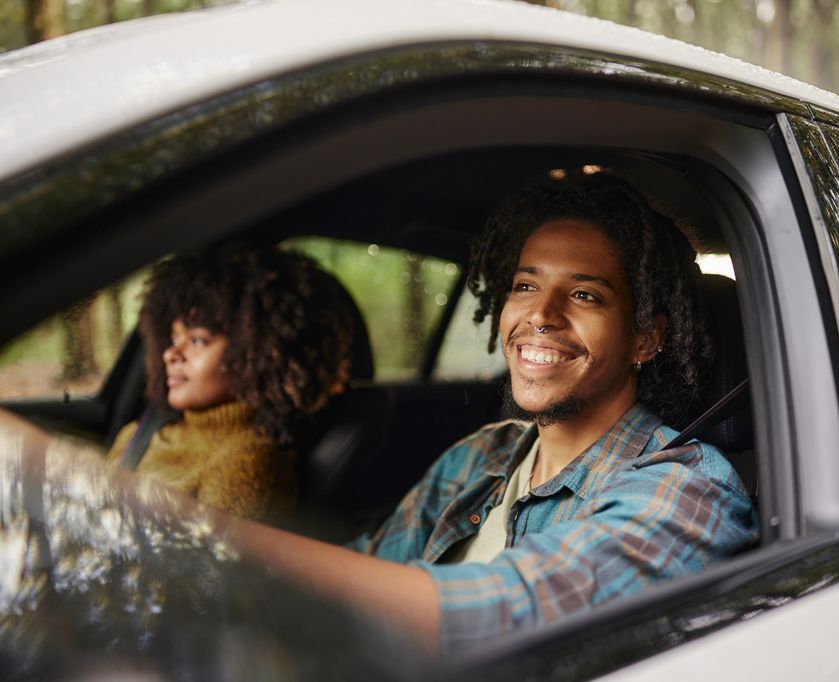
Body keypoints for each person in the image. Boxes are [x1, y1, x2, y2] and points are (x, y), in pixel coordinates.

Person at [229, 171, 758, 653]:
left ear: (645, 338)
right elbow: (369, 566)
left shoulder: (688, 487)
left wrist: (223, 544)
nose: (541, 315)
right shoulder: (483, 453)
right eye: (526, 286)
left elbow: (511, 614)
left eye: (584, 294)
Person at [107, 243, 353, 522]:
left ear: (257, 352)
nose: (171, 353)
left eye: (197, 340)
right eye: (174, 339)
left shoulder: (246, 466)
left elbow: (200, 565)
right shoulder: (135, 435)